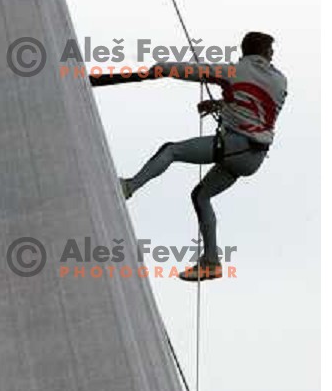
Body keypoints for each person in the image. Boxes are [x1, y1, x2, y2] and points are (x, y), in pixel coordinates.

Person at [90, 31, 288, 281]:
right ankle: (211, 262)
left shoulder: (232, 71)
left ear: (245, 51)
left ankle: (129, 186)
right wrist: (220, 105)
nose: (273, 55)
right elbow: (255, 105)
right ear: (266, 53)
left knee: (170, 150)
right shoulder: (281, 81)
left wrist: (160, 68)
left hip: (235, 146)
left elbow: (190, 70)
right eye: (271, 51)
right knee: (201, 196)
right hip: (253, 158)